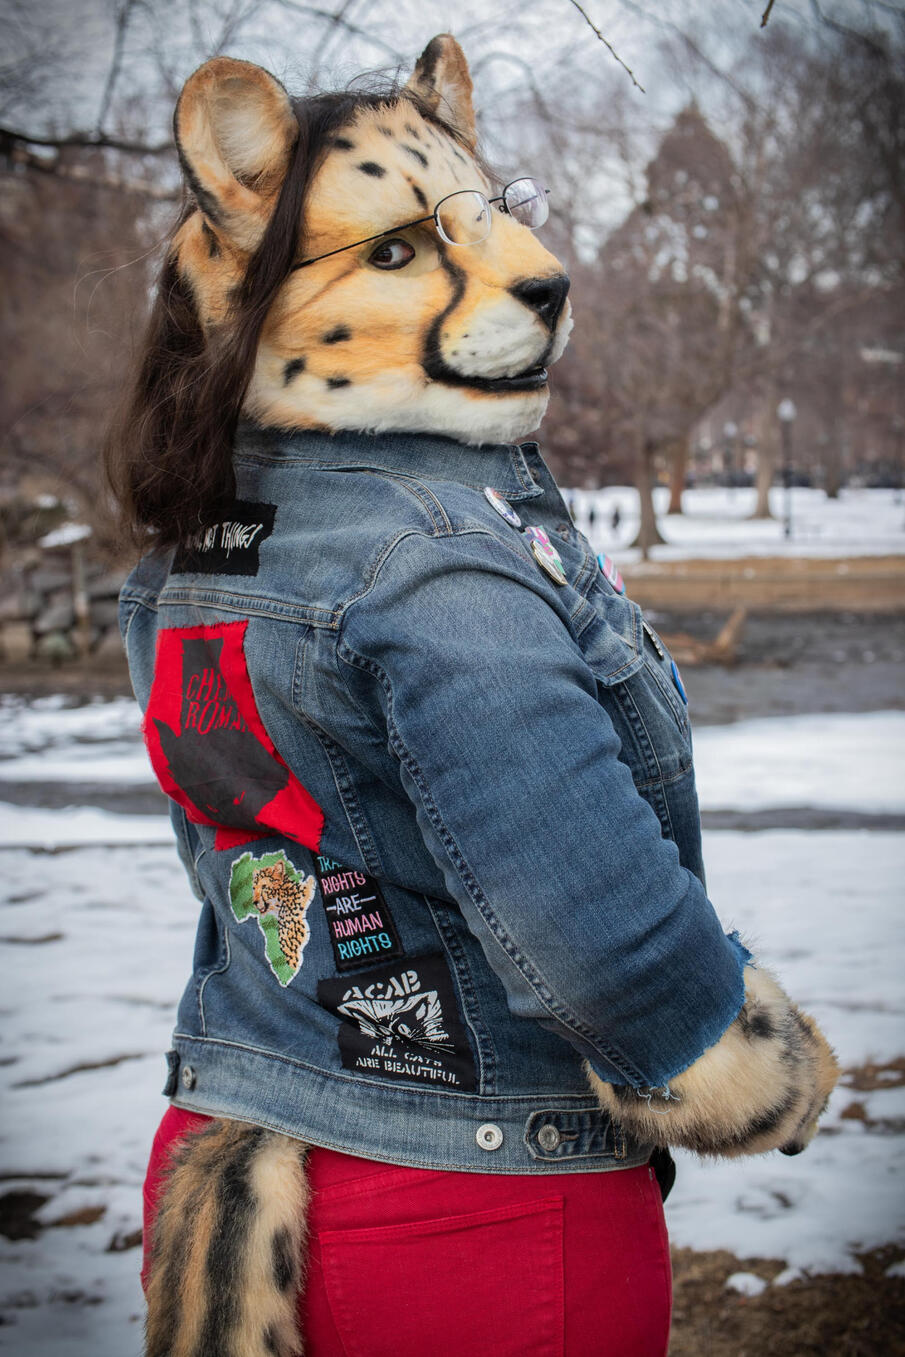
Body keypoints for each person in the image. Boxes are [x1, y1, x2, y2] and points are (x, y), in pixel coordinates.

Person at [105, 36, 838, 1357]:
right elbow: (589, 925)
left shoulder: (189, 549)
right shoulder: (435, 560)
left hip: (235, 1160)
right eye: (397, 246)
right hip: (473, 1210)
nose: (526, 267)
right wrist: (741, 1063)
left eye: (488, 212)